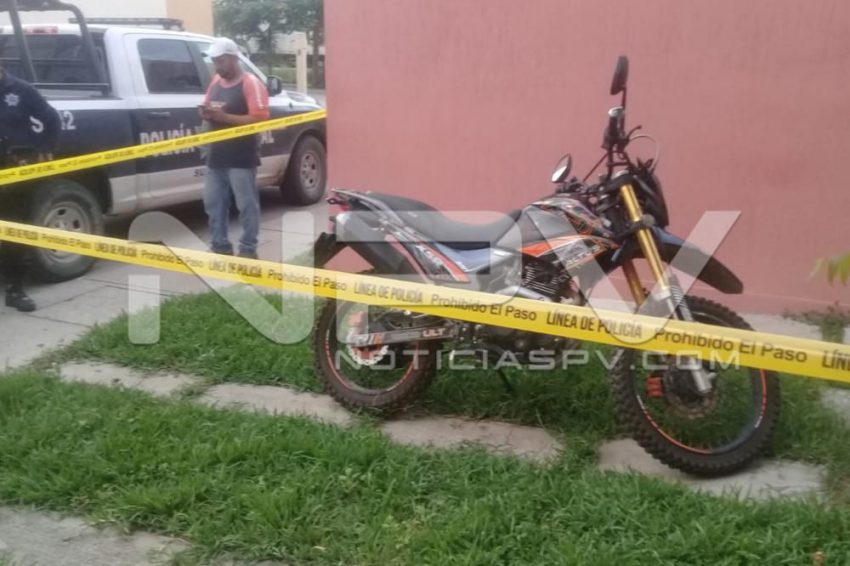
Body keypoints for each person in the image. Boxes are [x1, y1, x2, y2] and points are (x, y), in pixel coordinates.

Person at [199, 37, 270, 259]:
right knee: (213, 203)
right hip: (216, 156)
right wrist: (207, 113)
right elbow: (208, 104)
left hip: (241, 157)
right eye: (214, 62)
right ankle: (219, 244)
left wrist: (225, 118)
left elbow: (260, 119)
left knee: (246, 205)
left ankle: (248, 248)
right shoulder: (215, 82)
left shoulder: (250, 83)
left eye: (220, 61)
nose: (217, 66)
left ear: (233, 59)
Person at [0, 63, 61, 312]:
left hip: (16, 169)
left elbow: (51, 118)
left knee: (15, 229)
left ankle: (15, 289)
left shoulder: (21, 89)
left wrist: (45, 147)